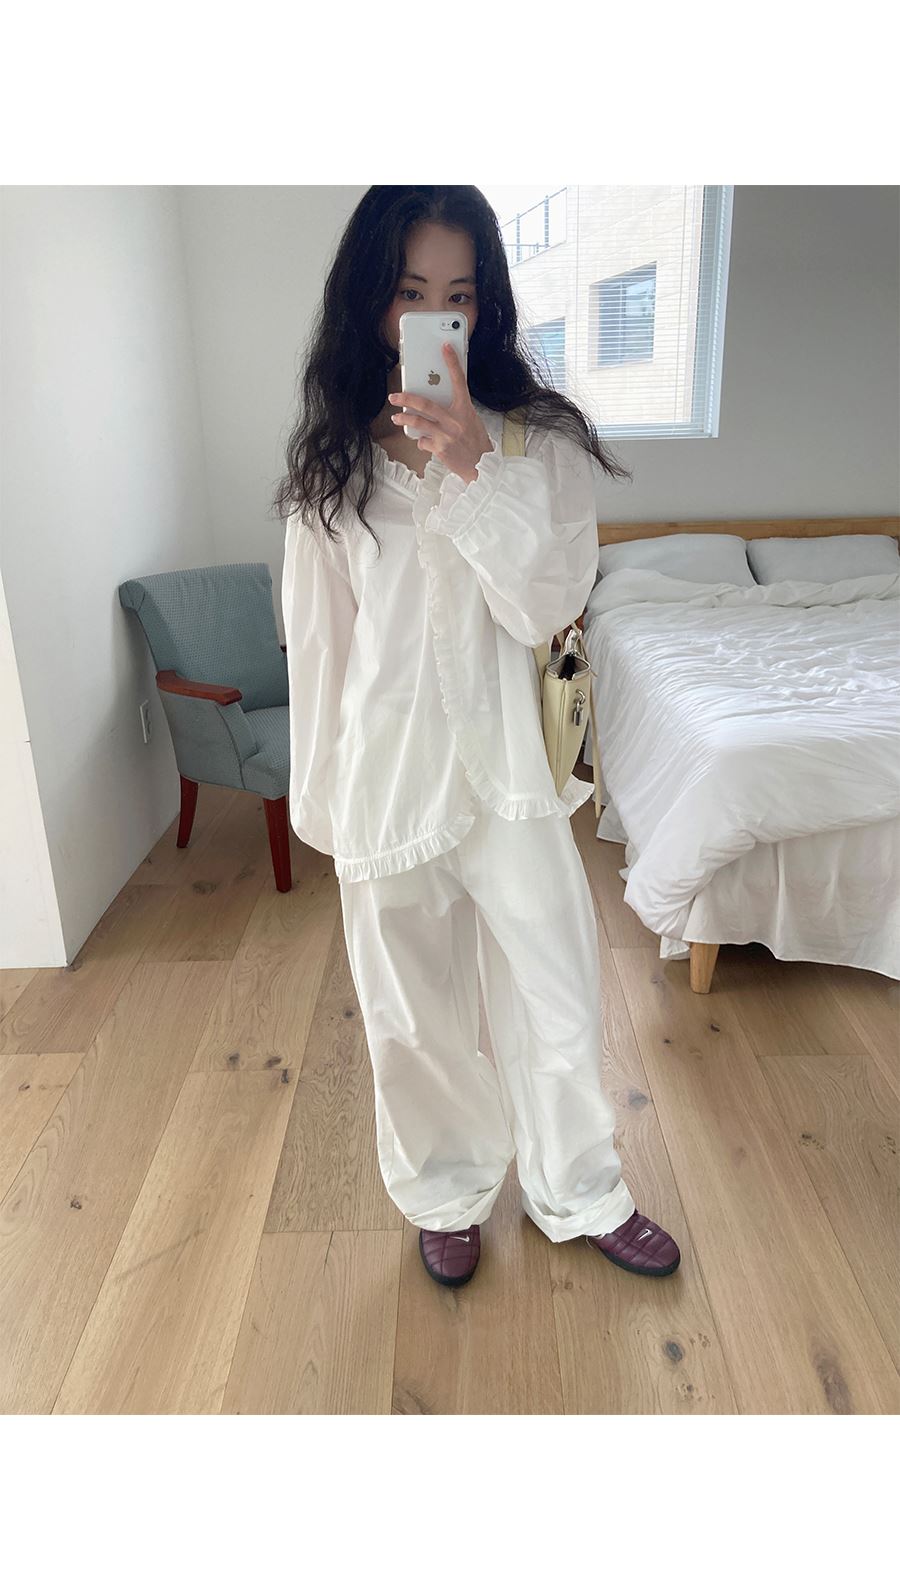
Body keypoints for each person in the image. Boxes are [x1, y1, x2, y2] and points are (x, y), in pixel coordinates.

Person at [274, 186, 680, 1288]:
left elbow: (550, 603)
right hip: (388, 769)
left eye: (457, 295)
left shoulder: (538, 444)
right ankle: (447, 1190)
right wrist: (324, 798)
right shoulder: (330, 468)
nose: (434, 318)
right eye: (411, 293)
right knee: (410, 1011)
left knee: (557, 987)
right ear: (371, 302)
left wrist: (473, 468)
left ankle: (581, 1188)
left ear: (486, 304)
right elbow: (322, 648)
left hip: (511, 773)